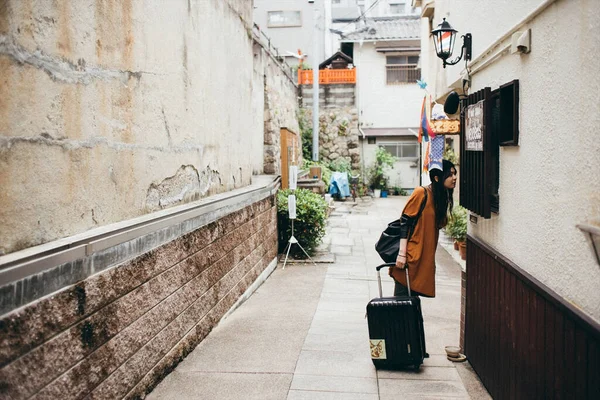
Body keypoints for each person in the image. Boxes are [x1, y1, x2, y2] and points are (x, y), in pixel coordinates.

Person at [390, 159, 457, 297]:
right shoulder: (421, 192)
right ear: (437, 178)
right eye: (450, 175)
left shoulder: (440, 197)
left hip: (424, 260)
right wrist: (402, 254)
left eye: (454, 174)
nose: (454, 178)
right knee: (401, 305)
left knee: (412, 306)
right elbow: (405, 222)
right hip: (410, 256)